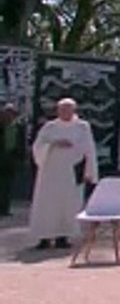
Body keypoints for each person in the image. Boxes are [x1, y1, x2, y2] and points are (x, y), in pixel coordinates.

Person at [29, 98, 98, 250]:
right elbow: (38, 146)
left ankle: (63, 236)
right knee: (47, 205)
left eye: (68, 110)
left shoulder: (82, 127)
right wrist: (53, 144)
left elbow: (89, 150)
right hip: (50, 173)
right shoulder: (50, 127)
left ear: (74, 110)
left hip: (72, 172)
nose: (64, 113)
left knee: (68, 204)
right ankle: (44, 237)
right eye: (61, 110)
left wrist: (90, 172)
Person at [0, 103, 21, 216]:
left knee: (8, 185)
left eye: (11, 114)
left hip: (11, 159)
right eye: (7, 113)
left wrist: (19, 158)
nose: (9, 116)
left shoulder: (18, 127)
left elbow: (20, 143)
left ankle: (5, 208)